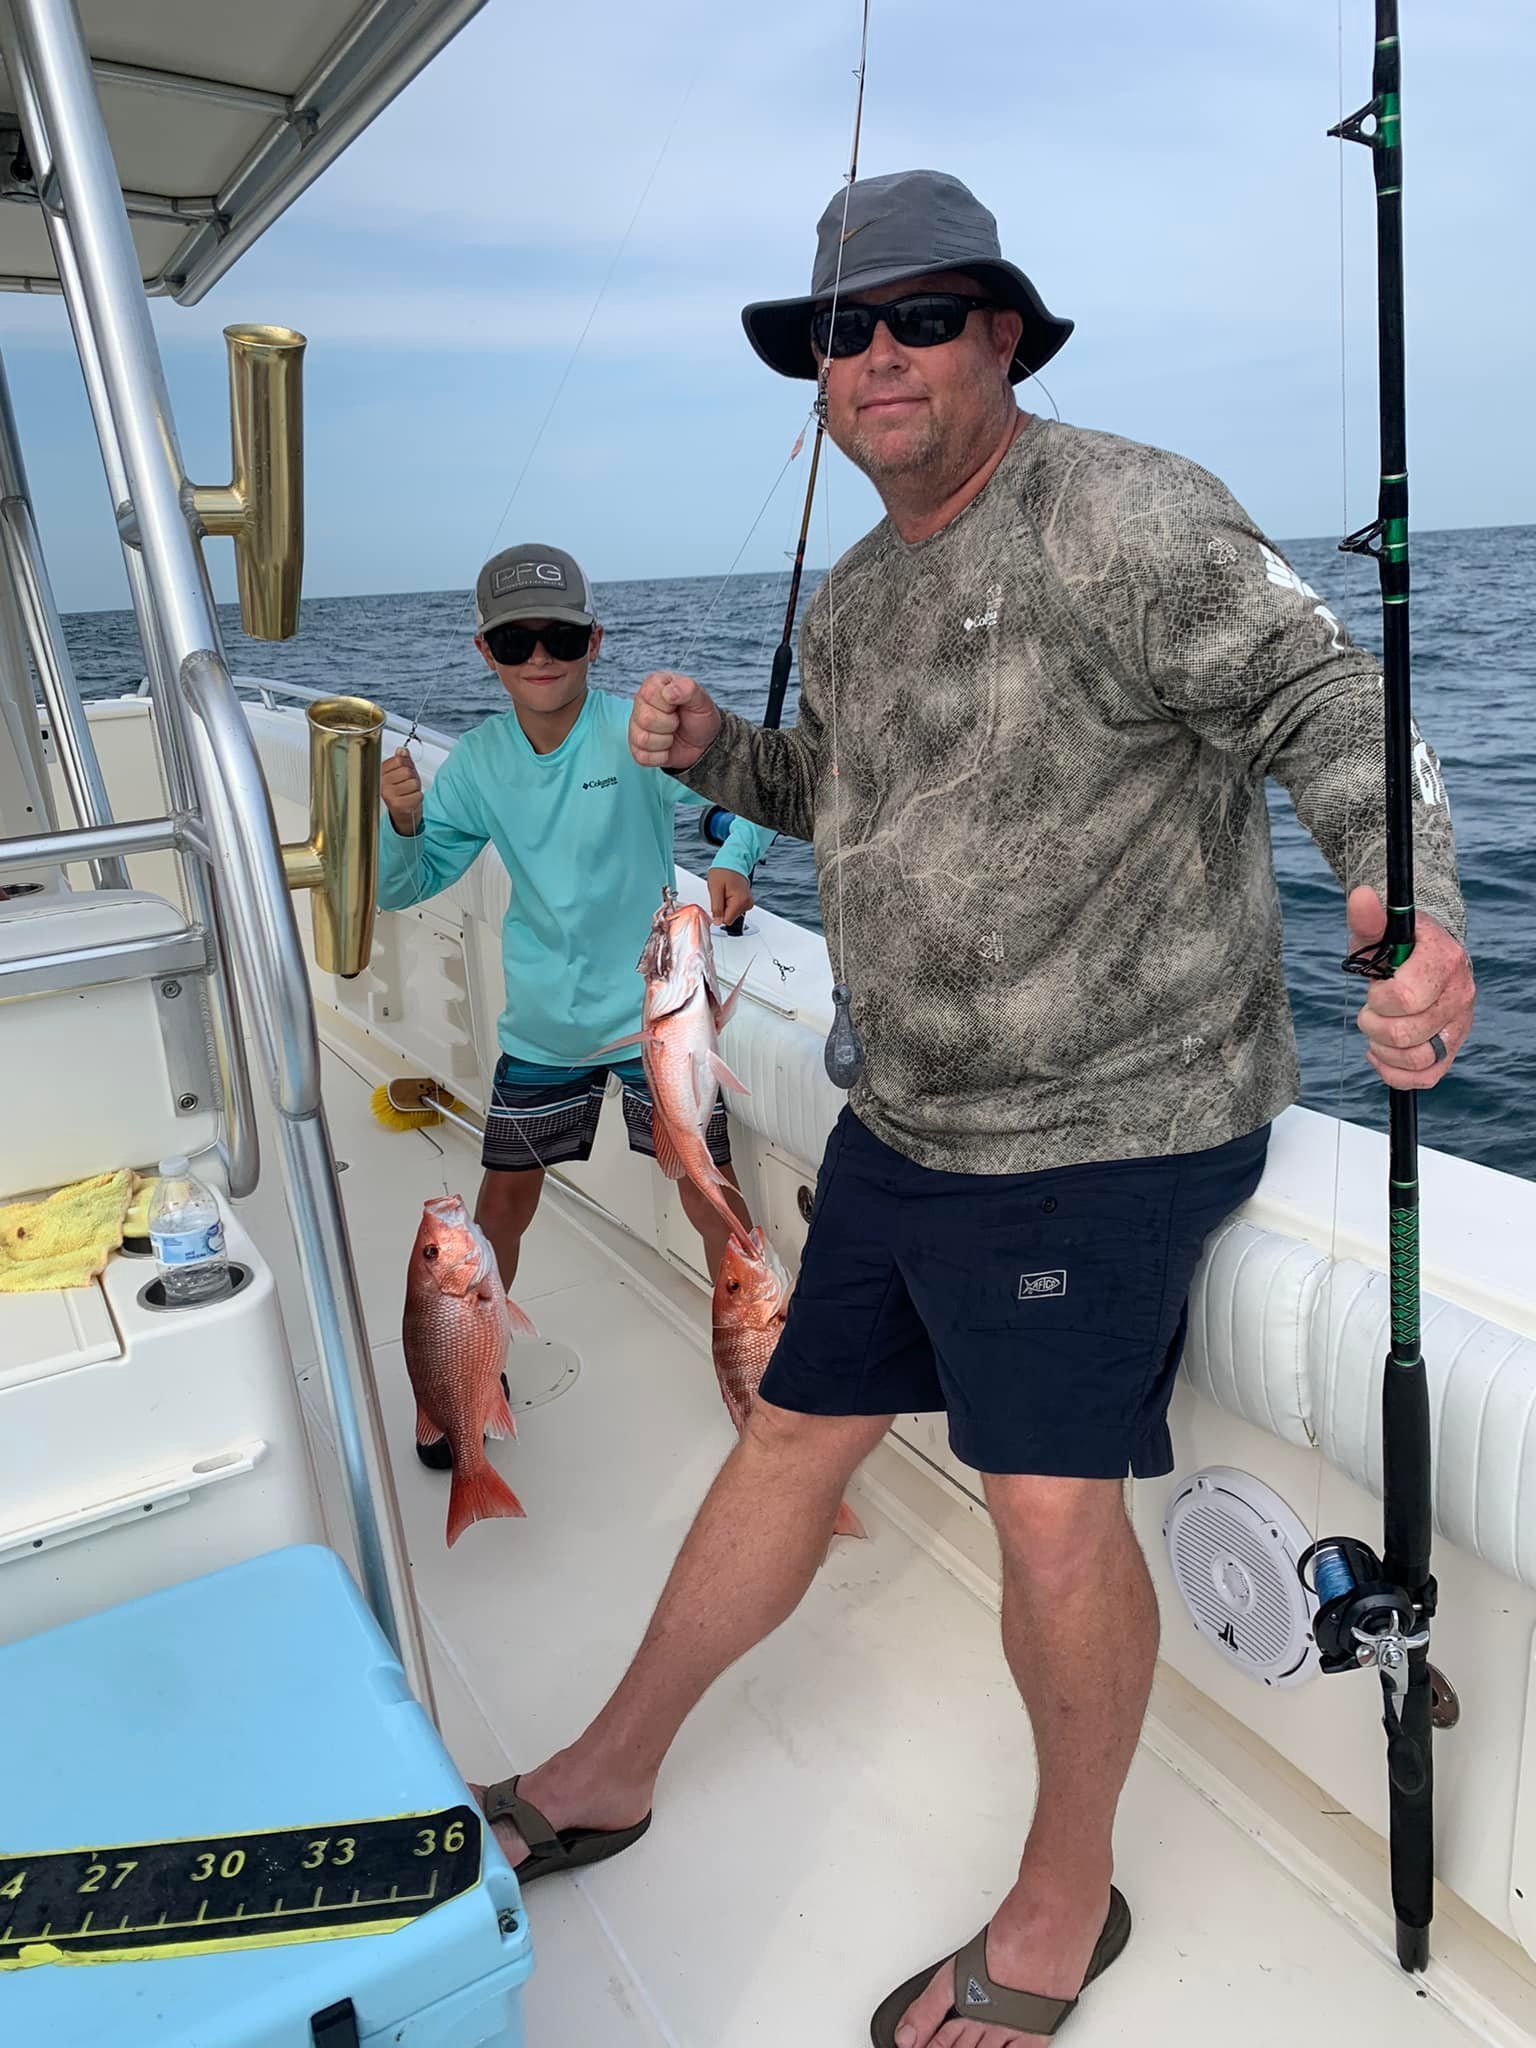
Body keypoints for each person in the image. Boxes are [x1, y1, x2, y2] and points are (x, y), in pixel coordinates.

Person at [472, 173, 1476, 2048]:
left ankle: (1064, 1898)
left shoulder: (1128, 513)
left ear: (1002, 334)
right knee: (789, 1433)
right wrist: (724, 754)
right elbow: (847, 794)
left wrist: (1405, 892)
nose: (877, 356)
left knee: (1043, 1507)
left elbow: (1326, 699)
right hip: (912, 1117)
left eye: (921, 317)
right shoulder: (859, 596)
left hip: (1109, 1125)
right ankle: (609, 1767)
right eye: (841, 330)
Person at [377, 543, 768, 1294]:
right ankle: (479, 1351)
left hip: (657, 1013)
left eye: (560, 637)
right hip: (546, 1024)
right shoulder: (477, 763)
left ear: (594, 641)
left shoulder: (639, 733)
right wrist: (401, 824)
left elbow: (752, 790)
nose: (539, 657)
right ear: (485, 651)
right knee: (502, 1206)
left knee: (707, 1188)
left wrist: (734, 858)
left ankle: (763, 1345)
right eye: (514, 641)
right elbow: (406, 886)